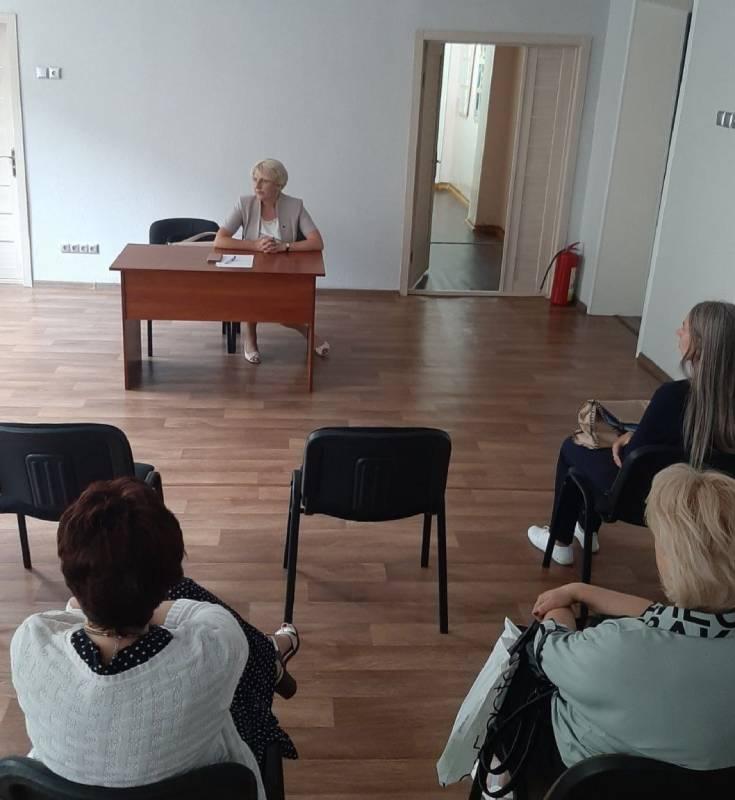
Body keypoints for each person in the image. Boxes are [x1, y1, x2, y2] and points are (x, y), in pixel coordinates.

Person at [10, 478, 299, 797]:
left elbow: (69, 612)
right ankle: (270, 655)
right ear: (166, 586)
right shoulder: (217, 647)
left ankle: (270, 655)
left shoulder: (29, 642)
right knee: (245, 691)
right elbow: (205, 614)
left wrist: (98, 600)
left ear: (69, 574)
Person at [489, 465, 735, 796]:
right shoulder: (698, 630)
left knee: (517, 674)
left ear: (674, 559)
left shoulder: (618, 647)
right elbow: (665, 617)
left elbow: (547, 646)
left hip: (587, 781)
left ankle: (498, 781)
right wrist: (580, 591)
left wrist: (560, 609)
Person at [528, 300, 735, 564]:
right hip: (710, 506)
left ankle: (560, 542)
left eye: (684, 328)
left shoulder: (673, 397)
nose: (678, 332)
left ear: (699, 344)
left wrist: (626, 440)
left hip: (646, 500)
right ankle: (585, 527)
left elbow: (630, 459)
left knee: (574, 447)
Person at [214, 158, 329, 364]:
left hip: (283, 270)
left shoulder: (295, 206)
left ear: (279, 184)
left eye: (264, 181)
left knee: (279, 308)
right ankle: (250, 336)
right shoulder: (244, 203)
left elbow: (317, 242)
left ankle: (306, 331)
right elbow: (219, 239)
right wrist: (255, 245)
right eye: (254, 179)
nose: (257, 185)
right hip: (251, 270)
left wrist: (285, 246)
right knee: (250, 293)